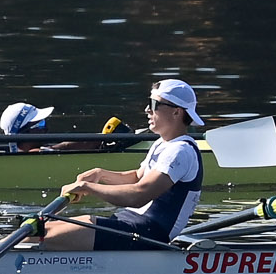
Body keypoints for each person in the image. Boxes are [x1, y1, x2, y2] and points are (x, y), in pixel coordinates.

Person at [37, 78, 206, 251]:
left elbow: (138, 195)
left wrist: (88, 187)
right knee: (36, 233)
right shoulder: (163, 144)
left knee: (43, 239)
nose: (147, 109)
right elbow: (137, 178)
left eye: (154, 104)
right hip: (128, 223)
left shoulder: (181, 151)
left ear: (176, 112)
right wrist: (100, 174)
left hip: (146, 234)